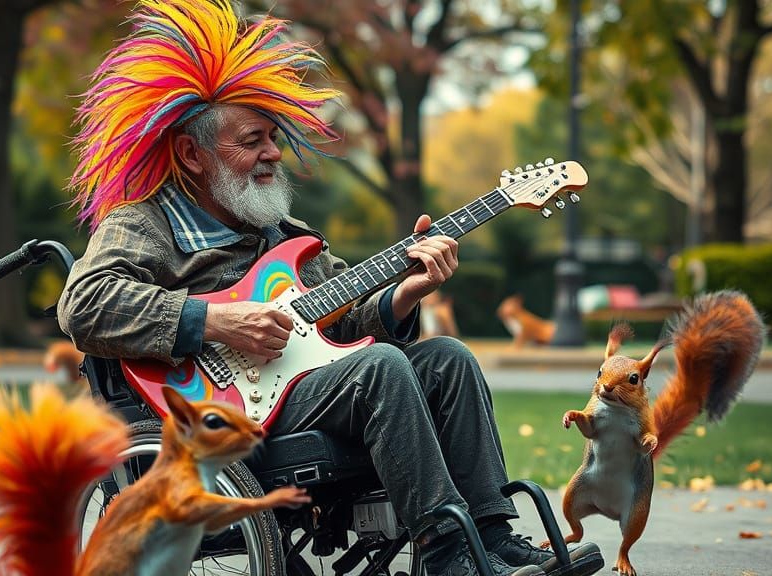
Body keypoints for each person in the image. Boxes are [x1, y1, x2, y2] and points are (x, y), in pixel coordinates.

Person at [57, 2, 603, 575]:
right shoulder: (144, 224)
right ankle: (447, 557)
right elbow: (84, 304)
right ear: (192, 154)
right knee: (382, 369)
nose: (272, 152)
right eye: (252, 140)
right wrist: (214, 321)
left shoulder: (286, 238)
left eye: (273, 137)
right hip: (214, 415)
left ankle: (490, 535)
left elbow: (343, 328)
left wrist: (407, 293)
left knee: (447, 357)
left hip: (300, 392)